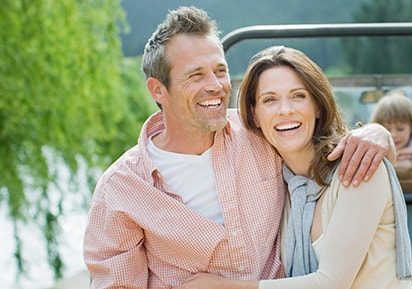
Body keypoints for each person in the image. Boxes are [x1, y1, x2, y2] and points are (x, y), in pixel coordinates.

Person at [83, 7, 393, 288]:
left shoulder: (259, 132)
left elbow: (322, 143)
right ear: (158, 89)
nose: (216, 86)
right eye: (196, 75)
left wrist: (379, 134)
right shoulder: (121, 188)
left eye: (220, 70)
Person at [176, 46, 412, 289]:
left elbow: (331, 283)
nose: (285, 110)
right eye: (269, 100)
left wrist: (222, 286)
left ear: (318, 106)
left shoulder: (358, 164)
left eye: (298, 96)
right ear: (255, 116)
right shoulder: (279, 186)